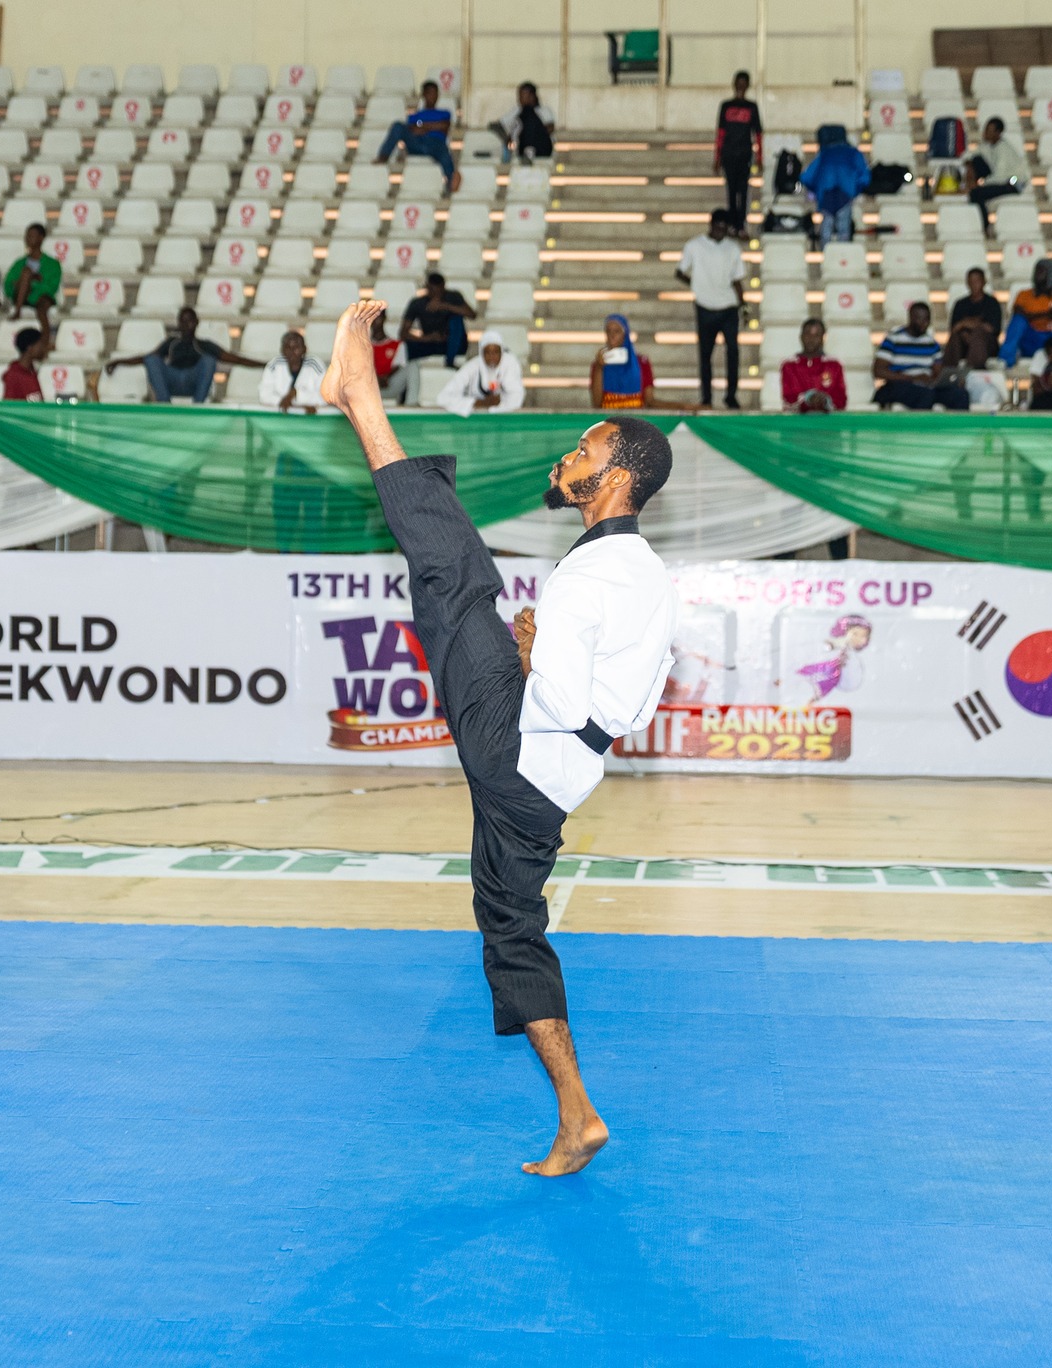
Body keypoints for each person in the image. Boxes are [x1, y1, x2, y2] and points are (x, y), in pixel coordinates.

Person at [317, 297, 678, 1177]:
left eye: (584, 452)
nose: (568, 458)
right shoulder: (640, 573)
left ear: (618, 476)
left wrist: (531, 660)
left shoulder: (601, 572)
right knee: (511, 926)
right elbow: (631, 702)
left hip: (522, 741)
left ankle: (362, 399)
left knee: (457, 578)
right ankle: (578, 1117)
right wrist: (541, 659)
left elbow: (557, 688)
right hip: (551, 782)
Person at [106, 306, 259, 404]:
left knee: (209, 360)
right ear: (178, 323)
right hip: (173, 381)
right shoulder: (172, 342)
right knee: (152, 360)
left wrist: (264, 364)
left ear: (197, 322)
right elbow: (146, 358)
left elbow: (235, 359)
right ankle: (165, 406)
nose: (186, 325)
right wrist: (119, 361)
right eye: (183, 322)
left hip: (193, 383)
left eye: (190, 321)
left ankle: (197, 407)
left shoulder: (203, 345)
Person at [675, 207, 745, 409]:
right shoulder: (694, 246)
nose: (720, 232)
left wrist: (744, 304)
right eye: (717, 227)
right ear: (711, 225)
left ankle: (730, 396)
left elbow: (737, 279)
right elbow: (679, 271)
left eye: (724, 228)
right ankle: (706, 397)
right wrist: (697, 284)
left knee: (733, 352)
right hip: (704, 307)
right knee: (705, 354)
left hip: (729, 306)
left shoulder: (733, 248)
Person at [873, 301, 968, 410]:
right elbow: (878, 371)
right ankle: (920, 427)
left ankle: (955, 427)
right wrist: (912, 378)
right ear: (911, 318)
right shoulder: (893, 338)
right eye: (920, 319)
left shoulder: (932, 343)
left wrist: (949, 381)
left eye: (927, 319)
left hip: (926, 386)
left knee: (960, 395)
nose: (924, 323)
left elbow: (937, 371)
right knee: (925, 394)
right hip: (899, 385)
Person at [374, 79, 459, 192]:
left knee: (445, 153)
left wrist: (422, 126)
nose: (433, 96)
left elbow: (444, 126)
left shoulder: (444, 113)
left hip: (436, 144)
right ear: (423, 94)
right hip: (417, 144)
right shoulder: (414, 115)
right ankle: (383, 157)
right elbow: (412, 129)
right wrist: (432, 126)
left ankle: (451, 182)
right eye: (430, 93)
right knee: (398, 126)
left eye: (435, 93)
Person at [589, 314, 685, 410]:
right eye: (608, 331)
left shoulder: (642, 363)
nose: (612, 336)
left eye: (617, 331)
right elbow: (597, 403)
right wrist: (599, 368)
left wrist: (682, 407)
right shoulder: (598, 365)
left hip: (636, 419)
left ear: (625, 334)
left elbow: (649, 401)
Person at [944, 266, 1005, 407]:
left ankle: (971, 375)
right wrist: (971, 327)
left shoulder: (992, 303)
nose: (974, 284)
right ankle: (949, 376)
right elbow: (954, 328)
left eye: (977, 281)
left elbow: (992, 329)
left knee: (978, 336)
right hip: (963, 343)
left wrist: (968, 325)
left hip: (987, 345)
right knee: (956, 338)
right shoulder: (960, 304)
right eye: (971, 281)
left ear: (984, 282)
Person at [798, 124, 869, 245]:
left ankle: (826, 255)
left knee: (826, 225)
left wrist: (815, 190)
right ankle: (843, 258)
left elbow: (807, 177)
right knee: (843, 227)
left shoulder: (824, 154)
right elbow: (864, 177)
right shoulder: (853, 153)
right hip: (846, 192)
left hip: (826, 193)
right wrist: (856, 190)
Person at [438, 330, 525, 415]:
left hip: (504, 419)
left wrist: (496, 406)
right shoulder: (472, 367)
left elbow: (516, 398)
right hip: (474, 418)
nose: (492, 356)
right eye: (487, 352)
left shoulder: (510, 364)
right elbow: (443, 398)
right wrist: (479, 403)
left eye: (496, 352)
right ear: (481, 353)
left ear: (501, 352)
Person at [714, 71, 762, 225]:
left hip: (744, 155)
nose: (740, 86)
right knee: (731, 190)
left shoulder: (751, 107)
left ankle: (741, 224)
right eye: (738, 82)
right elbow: (721, 133)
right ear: (734, 84)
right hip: (729, 154)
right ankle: (732, 224)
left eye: (744, 83)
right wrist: (717, 158)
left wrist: (759, 158)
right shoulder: (726, 106)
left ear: (747, 85)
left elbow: (758, 134)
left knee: (743, 190)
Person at [400, 273, 475, 367]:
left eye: (438, 291)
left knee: (456, 319)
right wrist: (427, 338)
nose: (435, 294)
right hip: (428, 342)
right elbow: (403, 333)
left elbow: (472, 315)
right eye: (432, 290)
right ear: (427, 288)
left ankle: (450, 360)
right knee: (407, 346)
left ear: (443, 287)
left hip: (451, 343)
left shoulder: (453, 297)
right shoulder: (417, 303)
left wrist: (446, 306)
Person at [966, 116, 1027, 229]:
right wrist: (970, 167)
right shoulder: (988, 145)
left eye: (989, 131)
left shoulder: (1004, 150)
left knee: (976, 194)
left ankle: (985, 226)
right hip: (999, 179)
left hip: (1012, 183)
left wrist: (981, 184)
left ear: (998, 133)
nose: (985, 133)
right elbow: (973, 157)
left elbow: (1001, 177)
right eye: (986, 130)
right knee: (976, 161)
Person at [780, 318, 847, 412]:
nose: (811, 339)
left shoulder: (834, 365)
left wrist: (825, 400)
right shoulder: (789, 365)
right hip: (797, 422)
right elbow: (789, 398)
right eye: (808, 334)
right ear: (801, 336)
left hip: (827, 422)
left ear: (823, 338)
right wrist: (808, 398)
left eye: (816, 335)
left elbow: (841, 400)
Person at [3, 223, 61, 331]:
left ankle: (45, 337)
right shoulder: (19, 263)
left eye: (31, 235)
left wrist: (32, 284)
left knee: (43, 306)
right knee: (26, 273)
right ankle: (18, 310)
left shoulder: (52, 264)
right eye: (27, 236)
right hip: (21, 296)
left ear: (41, 238)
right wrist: (27, 280)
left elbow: (52, 286)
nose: (28, 239)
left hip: (41, 297)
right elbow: (8, 284)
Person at [258, 329, 326, 412]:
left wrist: (297, 395)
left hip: (309, 420)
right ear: (282, 350)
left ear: (304, 349)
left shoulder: (316, 365)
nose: (292, 352)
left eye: (296, 347)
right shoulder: (274, 365)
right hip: (281, 418)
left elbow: (325, 397)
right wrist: (284, 401)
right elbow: (264, 395)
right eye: (287, 348)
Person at [488, 82, 554, 163]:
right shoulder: (516, 110)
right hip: (519, 150)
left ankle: (529, 152)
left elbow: (550, 128)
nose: (519, 99)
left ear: (532, 96)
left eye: (522, 96)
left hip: (541, 150)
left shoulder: (544, 111)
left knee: (528, 113)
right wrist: (507, 138)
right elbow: (498, 125)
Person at [370, 306, 418, 406]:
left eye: (377, 317)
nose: (375, 321)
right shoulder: (362, 346)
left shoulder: (397, 345)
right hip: (369, 389)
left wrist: (386, 377)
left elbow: (399, 367)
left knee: (412, 365)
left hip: (390, 386)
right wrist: (376, 379)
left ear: (384, 318)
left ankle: (411, 404)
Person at [2, 327, 48, 400]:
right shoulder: (13, 375)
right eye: (40, 344)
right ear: (30, 347)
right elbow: (8, 406)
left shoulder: (31, 372)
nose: (43, 349)